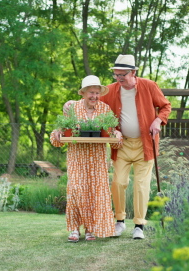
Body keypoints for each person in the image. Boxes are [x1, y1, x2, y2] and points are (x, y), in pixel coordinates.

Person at [64, 55, 172, 239]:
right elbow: (91, 101)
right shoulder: (112, 90)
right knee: (118, 183)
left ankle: (139, 226)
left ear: (133, 72)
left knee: (141, 186)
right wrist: (71, 104)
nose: (119, 78)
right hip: (121, 144)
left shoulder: (149, 86)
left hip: (145, 144)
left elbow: (165, 106)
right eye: (116, 75)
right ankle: (120, 221)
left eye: (122, 74)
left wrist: (158, 120)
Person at [51, 75, 123, 242]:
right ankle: (74, 229)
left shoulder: (105, 109)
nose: (94, 96)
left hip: (97, 159)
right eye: (91, 92)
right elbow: (59, 135)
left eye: (97, 93)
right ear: (83, 93)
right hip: (77, 158)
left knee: (94, 192)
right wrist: (57, 134)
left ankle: (91, 228)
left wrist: (117, 135)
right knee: (76, 191)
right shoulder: (72, 108)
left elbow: (113, 137)